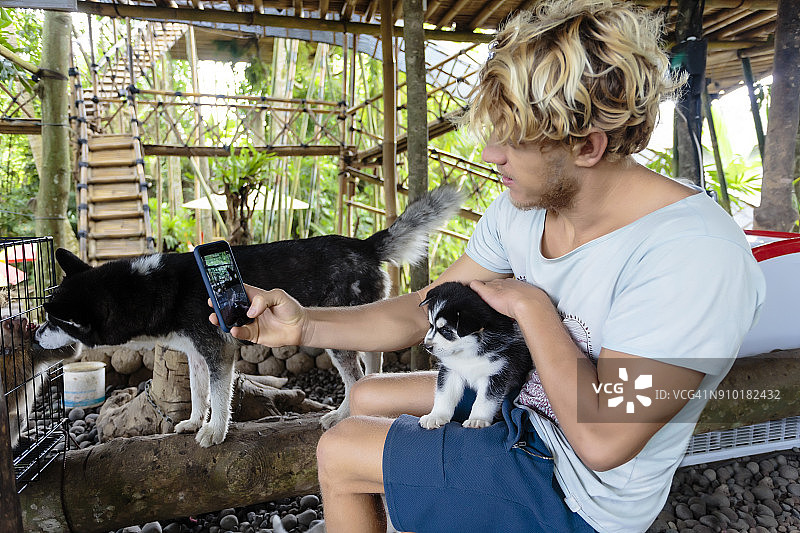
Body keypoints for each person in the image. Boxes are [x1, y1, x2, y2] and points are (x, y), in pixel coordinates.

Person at [213, 1, 765, 531]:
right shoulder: (522, 210)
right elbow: (427, 305)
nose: (491, 156)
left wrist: (529, 305)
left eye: (512, 142)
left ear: (589, 147)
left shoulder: (694, 257)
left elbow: (602, 442)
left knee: (339, 449)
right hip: (523, 399)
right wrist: (305, 323)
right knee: (363, 397)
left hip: (578, 488)